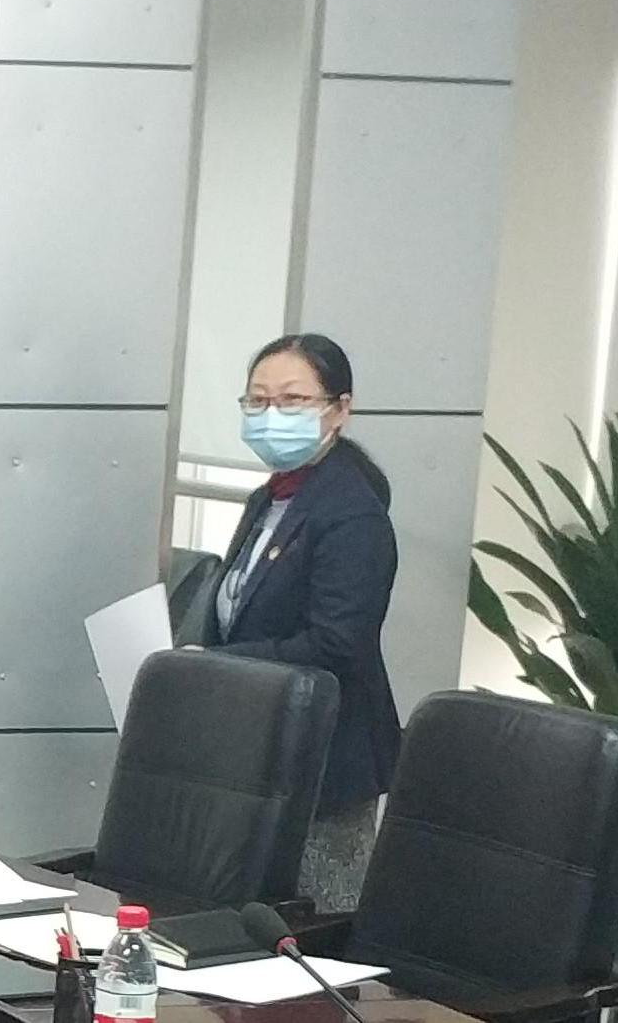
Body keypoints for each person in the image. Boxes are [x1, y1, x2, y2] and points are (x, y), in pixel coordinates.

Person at [203, 332, 400, 912]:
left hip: (326, 759)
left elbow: (336, 643)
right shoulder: (267, 499)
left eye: (292, 400)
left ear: (339, 410)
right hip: (255, 742)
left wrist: (215, 666)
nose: (271, 415)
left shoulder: (352, 512)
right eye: (257, 401)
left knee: (316, 924)